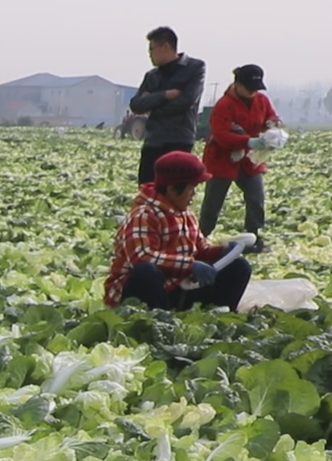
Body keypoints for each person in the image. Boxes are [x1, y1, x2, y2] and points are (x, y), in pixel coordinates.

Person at [104, 150, 250, 310]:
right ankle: (152, 318)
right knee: (145, 272)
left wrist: (222, 251)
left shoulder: (186, 213)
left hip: (179, 286)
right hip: (149, 290)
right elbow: (142, 257)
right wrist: (189, 266)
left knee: (239, 266)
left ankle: (218, 313)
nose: (194, 194)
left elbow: (201, 249)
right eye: (191, 188)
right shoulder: (144, 214)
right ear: (172, 189)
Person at [199, 64, 282, 250]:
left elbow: (272, 118)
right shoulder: (224, 105)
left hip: (250, 161)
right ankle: (200, 237)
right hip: (223, 160)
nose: (253, 92)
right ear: (237, 84)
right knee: (213, 202)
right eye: (249, 88)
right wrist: (248, 141)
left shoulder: (262, 100)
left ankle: (254, 236)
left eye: (255, 89)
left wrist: (273, 129)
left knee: (256, 198)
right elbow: (221, 135)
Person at [128, 26, 205, 184]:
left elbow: (186, 102)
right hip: (153, 140)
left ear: (165, 47)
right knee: (147, 188)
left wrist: (151, 104)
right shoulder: (152, 76)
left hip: (180, 139)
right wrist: (165, 95)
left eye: (151, 49)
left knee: (176, 190)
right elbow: (136, 105)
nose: (149, 55)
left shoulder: (194, 68)